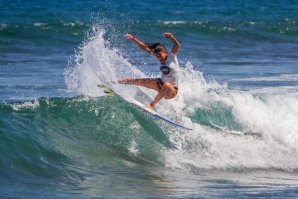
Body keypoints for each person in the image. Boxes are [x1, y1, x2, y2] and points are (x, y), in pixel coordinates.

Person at [118, 32, 180, 109]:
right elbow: (144, 47)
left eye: (160, 56)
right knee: (135, 81)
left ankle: (151, 105)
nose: (159, 58)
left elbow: (177, 45)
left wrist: (171, 38)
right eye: (157, 56)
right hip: (160, 84)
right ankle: (115, 82)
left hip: (171, 91)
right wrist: (134, 39)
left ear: (166, 53)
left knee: (167, 84)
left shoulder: (171, 56)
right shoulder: (158, 58)